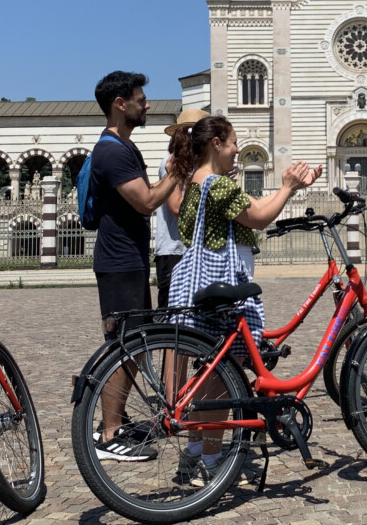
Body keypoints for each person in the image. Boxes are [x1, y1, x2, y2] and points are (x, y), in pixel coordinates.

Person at [165, 116, 321, 483]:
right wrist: (287, 186)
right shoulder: (216, 185)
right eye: (234, 143)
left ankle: (195, 450)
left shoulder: (197, 185)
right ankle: (213, 460)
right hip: (224, 289)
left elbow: (251, 203)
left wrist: (293, 189)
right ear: (217, 143)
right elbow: (260, 216)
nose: (238, 150)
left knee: (208, 373)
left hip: (201, 287)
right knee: (220, 378)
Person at [89, 70, 179, 461]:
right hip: (119, 262)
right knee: (125, 347)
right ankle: (109, 435)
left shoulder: (126, 147)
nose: (147, 104)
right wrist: (177, 170)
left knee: (135, 346)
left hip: (130, 260)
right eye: (140, 99)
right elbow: (145, 201)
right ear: (120, 104)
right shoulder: (112, 150)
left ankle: (116, 422)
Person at [154, 109, 210, 308]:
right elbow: (176, 208)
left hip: (192, 249)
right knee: (171, 314)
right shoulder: (171, 163)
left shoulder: (198, 166)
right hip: (174, 250)